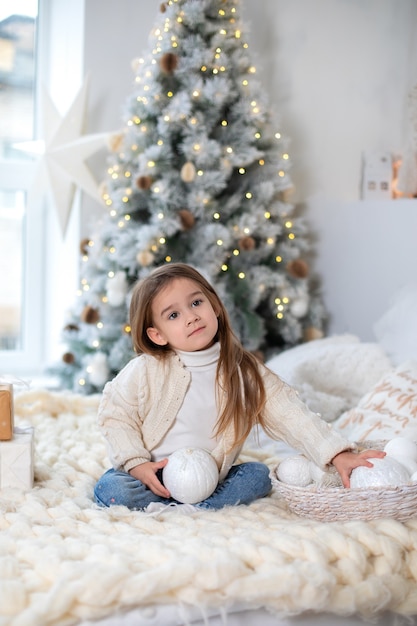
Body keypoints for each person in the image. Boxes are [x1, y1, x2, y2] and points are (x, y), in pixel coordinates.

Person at [94, 263, 385, 514]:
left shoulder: (242, 370)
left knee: (257, 477)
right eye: (173, 315)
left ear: (215, 306)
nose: (191, 316)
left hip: (212, 480)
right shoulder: (146, 369)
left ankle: (200, 507)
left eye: (196, 303)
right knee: (112, 488)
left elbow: (290, 414)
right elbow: (116, 415)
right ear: (157, 335)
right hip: (152, 478)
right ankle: (166, 501)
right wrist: (136, 464)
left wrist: (335, 454)